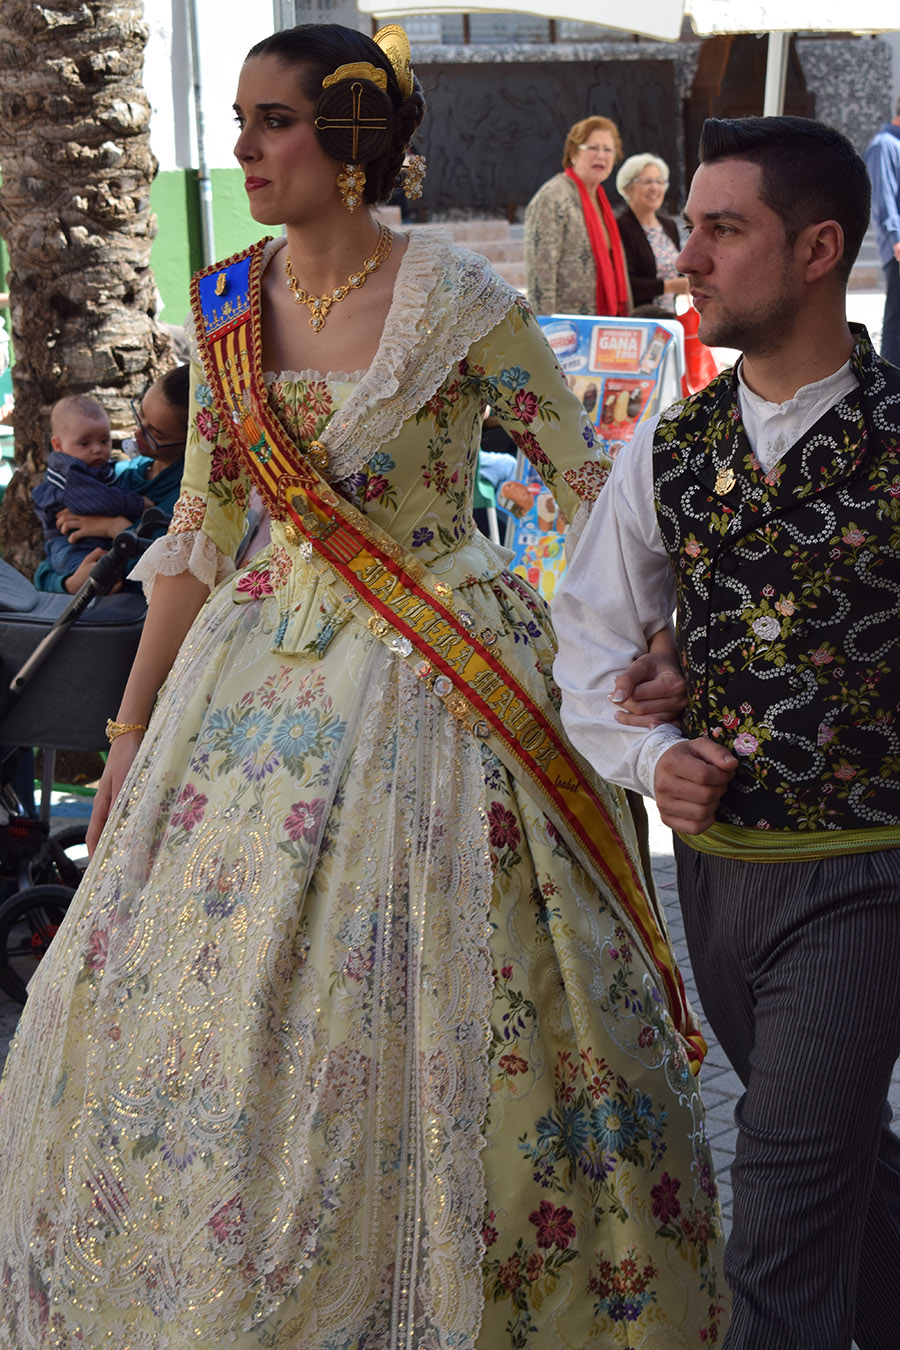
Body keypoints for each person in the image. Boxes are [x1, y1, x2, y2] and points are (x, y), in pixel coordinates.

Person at [0, 25, 727, 1348]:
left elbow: (589, 487)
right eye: (239, 120)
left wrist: (648, 642)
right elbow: (201, 537)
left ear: (348, 139)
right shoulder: (223, 303)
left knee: (472, 1000)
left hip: (445, 674)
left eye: (271, 121)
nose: (243, 148)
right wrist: (129, 732)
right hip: (250, 684)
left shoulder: (461, 299)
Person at [553, 114, 900, 1350]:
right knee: (841, 1162)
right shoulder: (673, 446)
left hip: (866, 873)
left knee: (784, 1201)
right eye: (689, 226)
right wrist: (657, 749)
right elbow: (588, 640)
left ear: (818, 249)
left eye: (721, 229)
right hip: (720, 881)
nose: (685, 257)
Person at [32, 365, 190, 594]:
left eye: (155, 433)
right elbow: (45, 567)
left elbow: (159, 578)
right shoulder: (117, 473)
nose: (137, 433)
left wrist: (115, 528)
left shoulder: (188, 502)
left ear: (191, 440)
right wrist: (67, 583)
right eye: (140, 415)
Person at [30, 394, 149, 579]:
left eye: (104, 441)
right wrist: (138, 503)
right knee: (93, 575)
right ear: (58, 445)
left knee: (108, 571)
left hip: (93, 541)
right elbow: (101, 500)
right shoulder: (69, 471)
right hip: (69, 544)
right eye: (84, 443)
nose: (97, 449)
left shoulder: (98, 467)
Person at [524, 116, 631, 318]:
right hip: (567, 328)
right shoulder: (552, 198)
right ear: (573, 153)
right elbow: (540, 277)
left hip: (605, 325)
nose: (601, 155)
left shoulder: (600, 200)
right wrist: (544, 330)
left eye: (608, 150)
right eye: (593, 148)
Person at [615, 153, 689, 313]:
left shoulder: (668, 225)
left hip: (669, 315)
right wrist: (668, 286)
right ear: (628, 189)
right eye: (647, 181)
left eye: (659, 181)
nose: (655, 187)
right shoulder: (621, 227)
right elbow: (624, 283)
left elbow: (676, 272)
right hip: (639, 317)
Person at [864, 93, 900, 368]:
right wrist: (896, 239)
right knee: (897, 320)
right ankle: (891, 380)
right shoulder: (883, 145)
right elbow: (883, 198)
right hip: (898, 249)